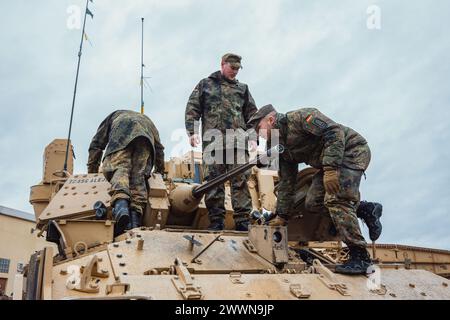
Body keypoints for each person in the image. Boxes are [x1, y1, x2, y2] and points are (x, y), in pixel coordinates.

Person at [247, 104, 382, 274]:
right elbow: (287, 183)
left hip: (351, 152)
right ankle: (364, 209)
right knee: (312, 203)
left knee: (335, 199)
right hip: (328, 164)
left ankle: (360, 256)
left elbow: (334, 132)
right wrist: (282, 215)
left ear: (270, 120)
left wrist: (331, 169)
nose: (258, 134)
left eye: (258, 128)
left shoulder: (301, 118)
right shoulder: (279, 147)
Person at [185, 53, 258, 231]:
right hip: (214, 140)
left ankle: (243, 221)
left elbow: (252, 115)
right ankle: (216, 220)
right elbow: (193, 108)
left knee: (240, 180)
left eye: (237, 69)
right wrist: (192, 132)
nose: (235, 72)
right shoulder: (206, 84)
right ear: (223, 64)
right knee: (213, 181)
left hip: (238, 141)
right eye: (232, 68)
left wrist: (253, 136)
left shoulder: (243, 89)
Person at [87, 110, 165, 235]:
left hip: (120, 136)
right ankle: (134, 220)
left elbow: (97, 144)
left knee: (119, 169)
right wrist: (160, 172)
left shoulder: (114, 116)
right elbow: (159, 148)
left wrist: (92, 171)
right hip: (145, 139)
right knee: (138, 178)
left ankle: (121, 208)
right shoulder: (147, 120)